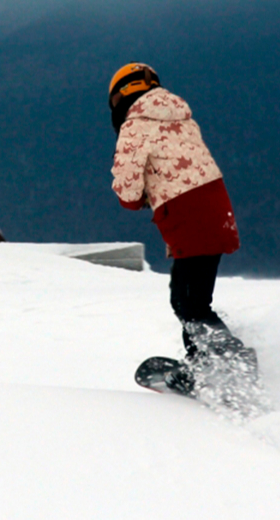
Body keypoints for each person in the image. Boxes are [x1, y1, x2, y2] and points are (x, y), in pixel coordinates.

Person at [108, 62, 253, 394]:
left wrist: (140, 194)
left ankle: (233, 366)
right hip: (217, 212)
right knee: (191, 299)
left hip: (189, 218)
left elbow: (128, 193)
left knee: (189, 304)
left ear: (122, 97)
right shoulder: (184, 118)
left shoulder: (135, 125)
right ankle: (206, 363)